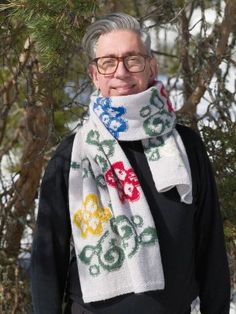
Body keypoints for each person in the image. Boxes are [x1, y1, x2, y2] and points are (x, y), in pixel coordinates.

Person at [30, 12, 230, 314]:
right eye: (108, 62)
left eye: (132, 59)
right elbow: (48, 262)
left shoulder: (186, 146)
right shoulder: (71, 156)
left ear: (151, 66)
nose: (120, 72)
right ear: (94, 75)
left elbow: (210, 247)